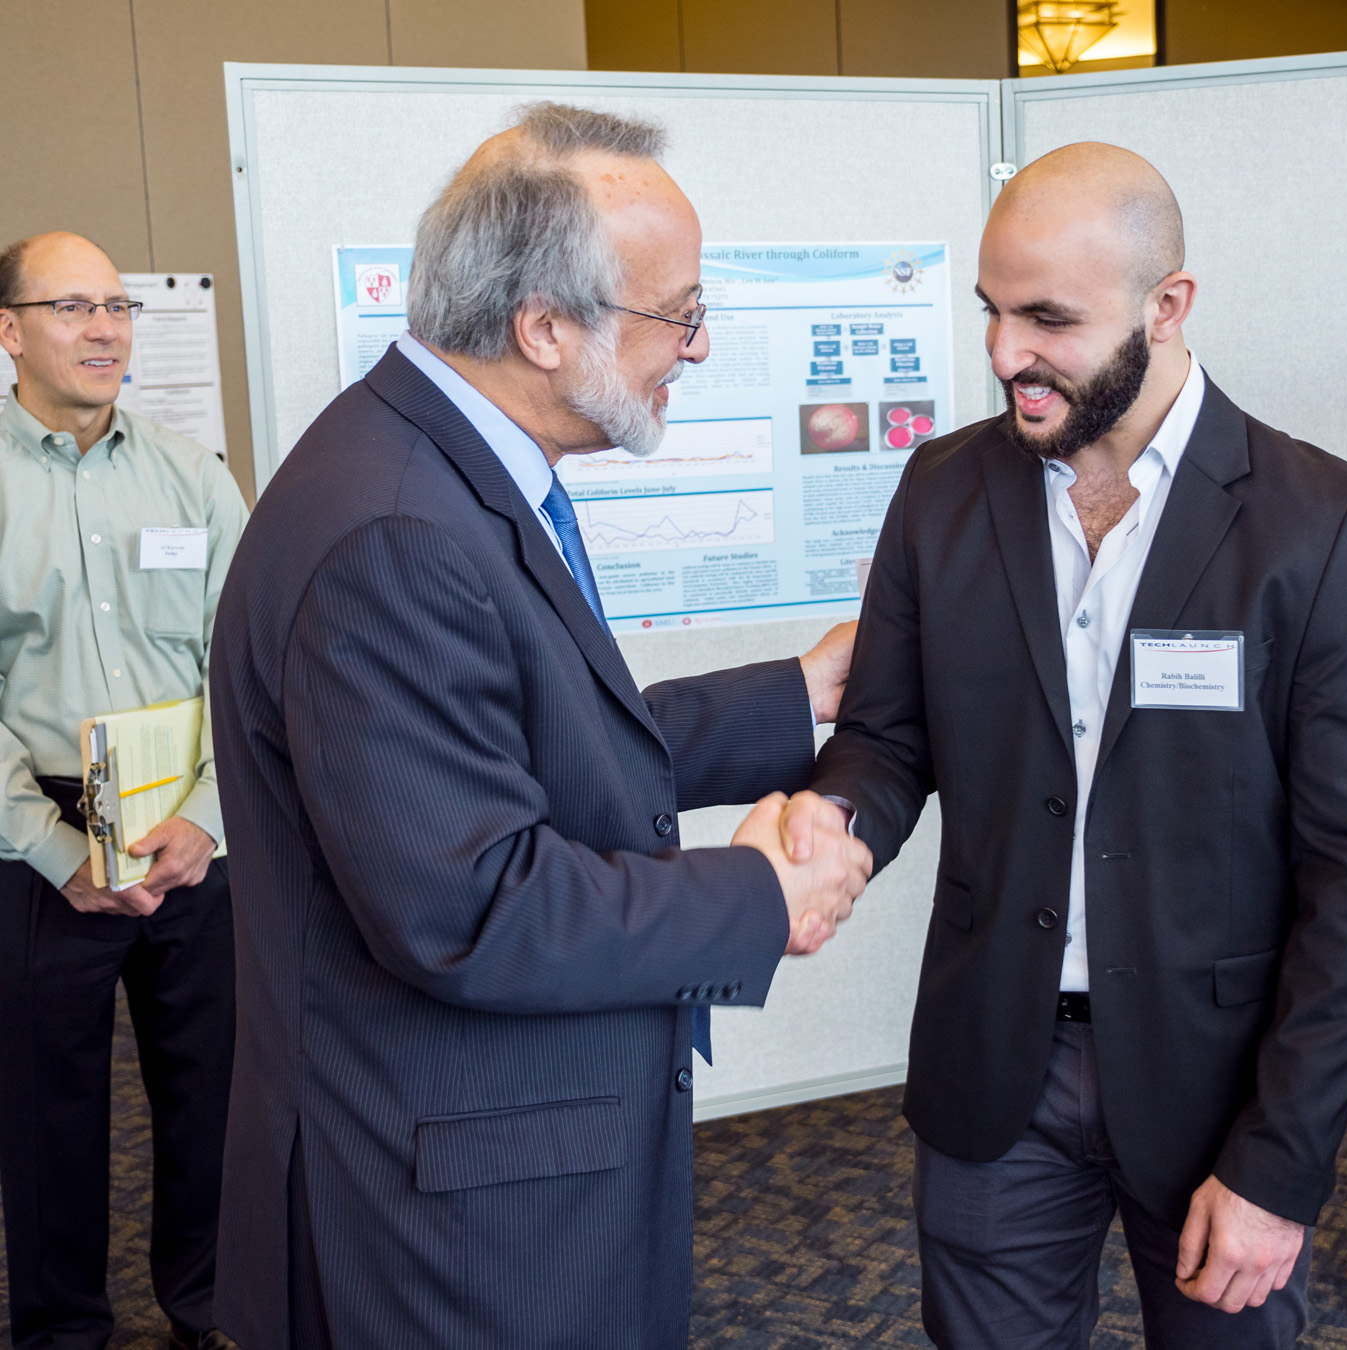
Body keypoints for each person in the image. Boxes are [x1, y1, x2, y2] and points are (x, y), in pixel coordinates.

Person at [207, 103, 873, 1349]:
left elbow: (531, 746)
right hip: (444, 1221)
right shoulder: (396, 536)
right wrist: (758, 895)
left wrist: (801, 692)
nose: (699, 346)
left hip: (476, 1167)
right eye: (675, 315)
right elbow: (474, 905)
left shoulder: (442, 466)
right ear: (546, 326)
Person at [800, 142, 1347, 1349]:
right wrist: (835, 828)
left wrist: (1284, 1164)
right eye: (990, 312)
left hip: (1220, 1089)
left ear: (1168, 305)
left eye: (1046, 320)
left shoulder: (1320, 523)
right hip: (996, 1072)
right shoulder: (941, 491)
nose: (1002, 357)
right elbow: (886, 736)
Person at [0, 232, 246, 1350]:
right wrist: (57, 849)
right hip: (33, 836)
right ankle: (63, 1333)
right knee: (48, 1115)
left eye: (118, 306)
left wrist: (205, 818)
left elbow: (245, 665)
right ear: (10, 330)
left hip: (188, 829)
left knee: (217, 1097)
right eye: (72, 307)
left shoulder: (191, 474)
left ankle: (210, 1307)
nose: (105, 329)